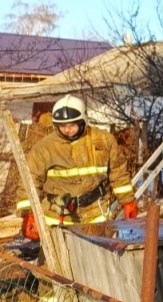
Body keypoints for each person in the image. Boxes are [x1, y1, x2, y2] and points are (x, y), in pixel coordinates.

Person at [16, 94, 138, 240]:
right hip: (56, 217)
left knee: (96, 251)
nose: (67, 130)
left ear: (83, 121)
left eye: (72, 125)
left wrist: (128, 201)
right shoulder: (44, 149)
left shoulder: (103, 141)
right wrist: (28, 214)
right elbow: (29, 182)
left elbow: (118, 173)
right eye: (62, 126)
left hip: (95, 214)